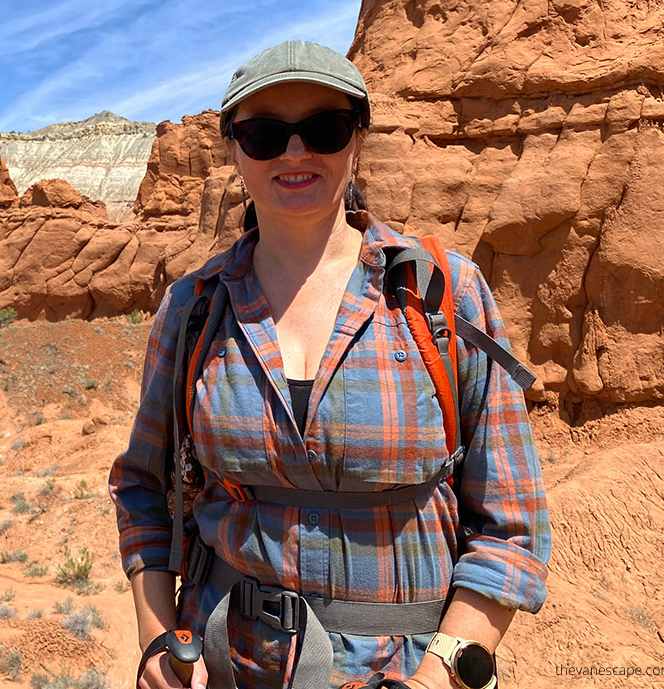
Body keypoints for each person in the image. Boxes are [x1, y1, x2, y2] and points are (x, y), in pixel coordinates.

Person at [108, 40, 551, 689]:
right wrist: (154, 643)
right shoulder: (193, 309)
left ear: (359, 138)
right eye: (264, 134)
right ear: (233, 149)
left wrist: (439, 678)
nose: (295, 152)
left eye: (324, 128)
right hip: (225, 666)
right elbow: (142, 491)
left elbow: (510, 525)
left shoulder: (446, 294)